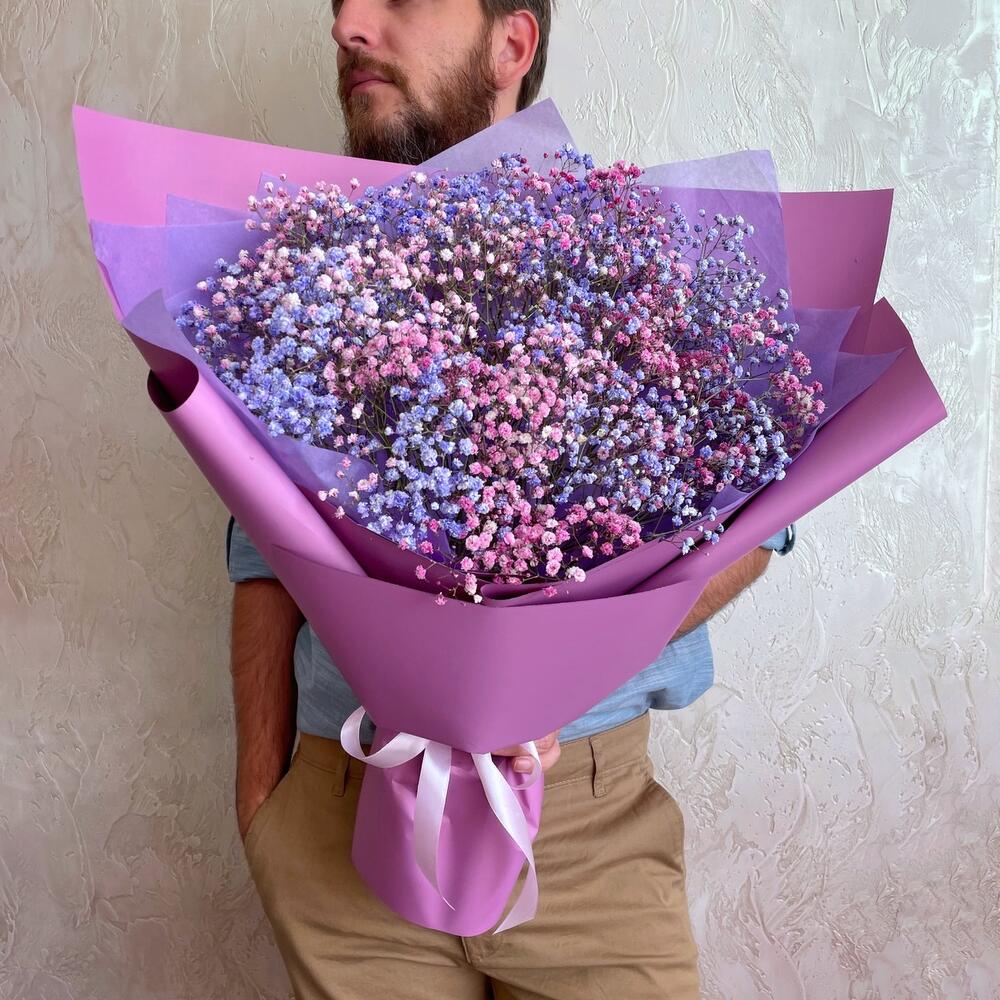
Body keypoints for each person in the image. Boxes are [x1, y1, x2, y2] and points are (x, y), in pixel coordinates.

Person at [228, 1, 797, 996]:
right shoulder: (311, 271)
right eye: (342, 0)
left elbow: (759, 522)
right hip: (338, 815)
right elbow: (259, 550)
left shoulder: (641, 261)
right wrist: (261, 794)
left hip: (584, 831)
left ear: (512, 44)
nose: (349, 23)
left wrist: (549, 675)